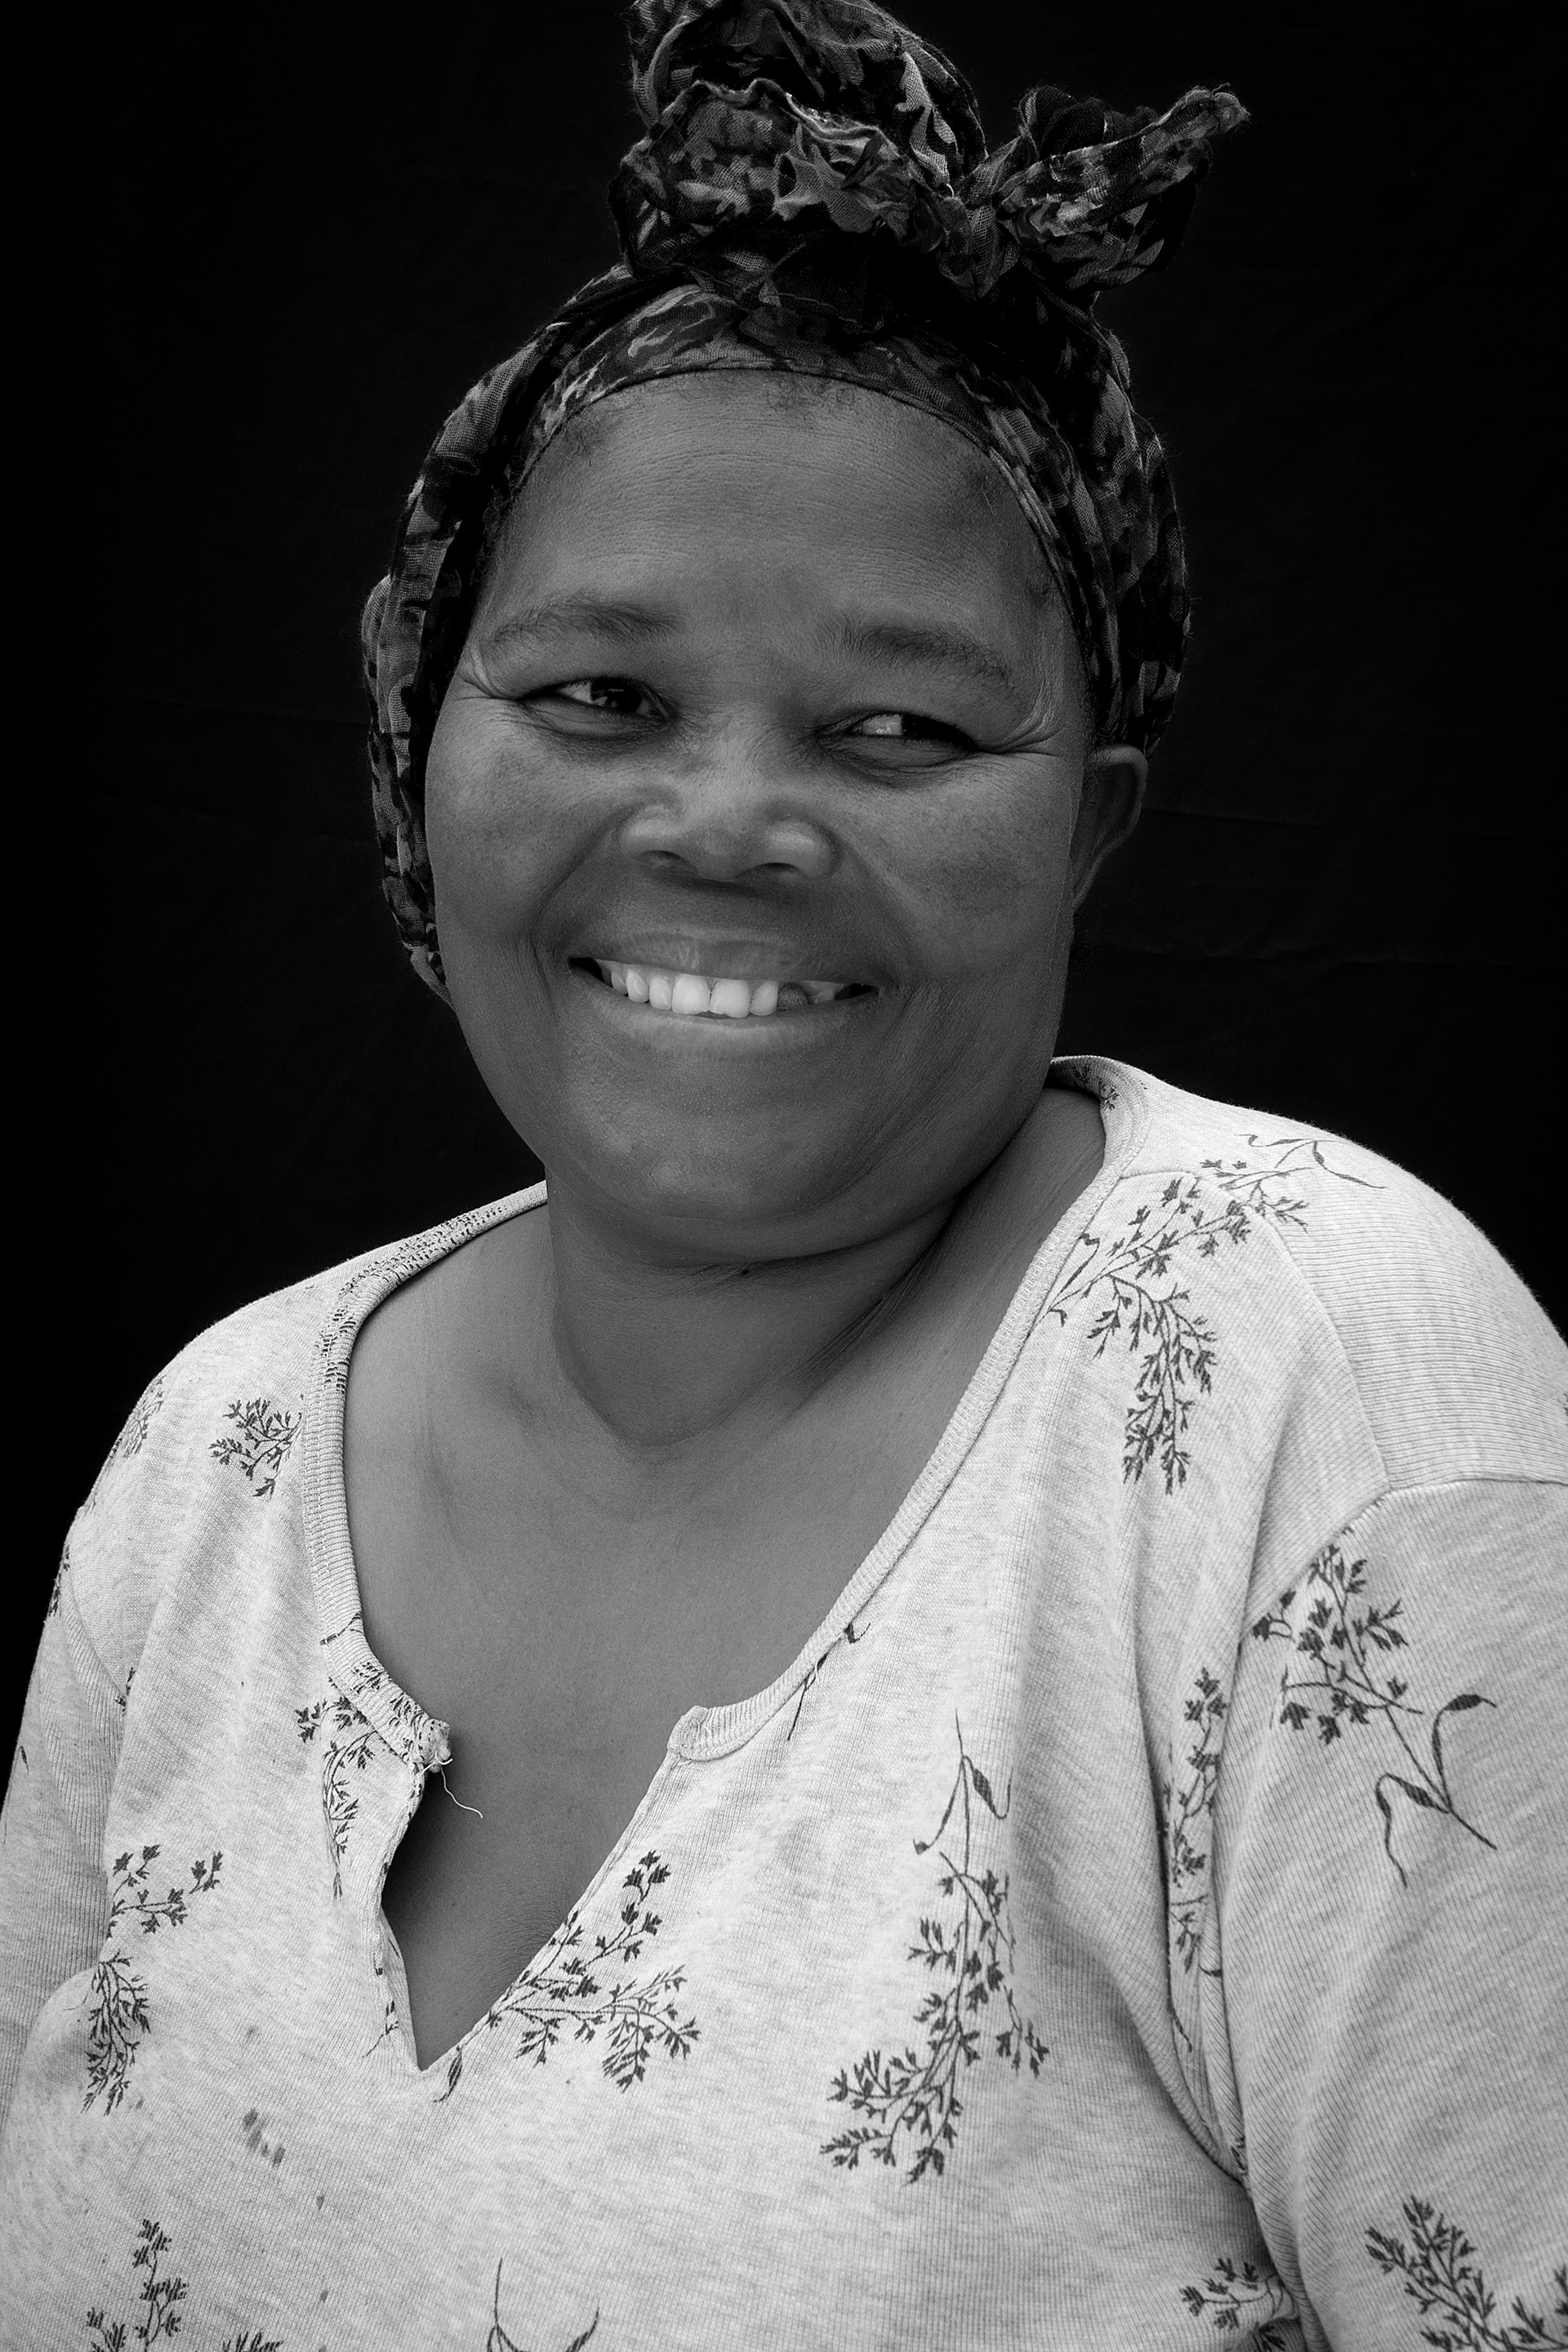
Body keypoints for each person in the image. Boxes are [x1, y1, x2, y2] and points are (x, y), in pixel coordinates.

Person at [4, 1, 1564, 2344]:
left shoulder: (1320, 1406)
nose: (728, 821)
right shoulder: (214, 1454)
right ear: (419, 743)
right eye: (599, 697)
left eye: (902, 726)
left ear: (1087, 830)